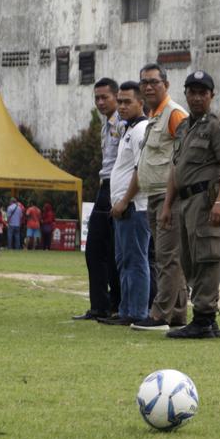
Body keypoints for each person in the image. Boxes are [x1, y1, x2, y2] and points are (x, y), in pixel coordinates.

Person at [159, 71, 220, 339]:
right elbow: (175, 168)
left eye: (203, 93)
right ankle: (204, 318)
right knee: (189, 259)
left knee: (207, 257)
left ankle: (204, 318)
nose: (197, 97)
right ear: (186, 94)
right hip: (185, 202)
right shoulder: (183, 127)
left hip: (206, 201)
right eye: (192, 92)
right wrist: (167, 205)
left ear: (211, 96)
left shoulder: (218, 126)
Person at [129, 63, 189, 331]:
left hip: (169, 196)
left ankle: (159, 315)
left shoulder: (174, 114)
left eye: (154, 82)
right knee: (169, 257)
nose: (148, 87)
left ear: (166, 84)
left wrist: (169, 202)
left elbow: (182, 158)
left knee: (166, 257)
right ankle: (177, 313)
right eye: (144, 82)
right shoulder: (154, 115)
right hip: (154, 195)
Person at [104, 81, 151, 326]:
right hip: (123, 208)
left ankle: (137, 312)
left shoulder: (141, 129)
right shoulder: (128, 129)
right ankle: (126, 310)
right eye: (120, 101)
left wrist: (124, 200)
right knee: (124, 261)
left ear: (140, 103)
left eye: (127, 102)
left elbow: (140, 170)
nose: (121, 106)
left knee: (136, 261)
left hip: (134, 208)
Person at [76, 78, 123, 320]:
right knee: (95, 248)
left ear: (116, 96)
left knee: (113, 249)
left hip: (117, 188)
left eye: (105, 97)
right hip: (104, 186)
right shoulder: (106, 124)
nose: (101, 102)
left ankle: (115, 305)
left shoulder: (123, 123)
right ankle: (100, 305)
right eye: (97, 98)